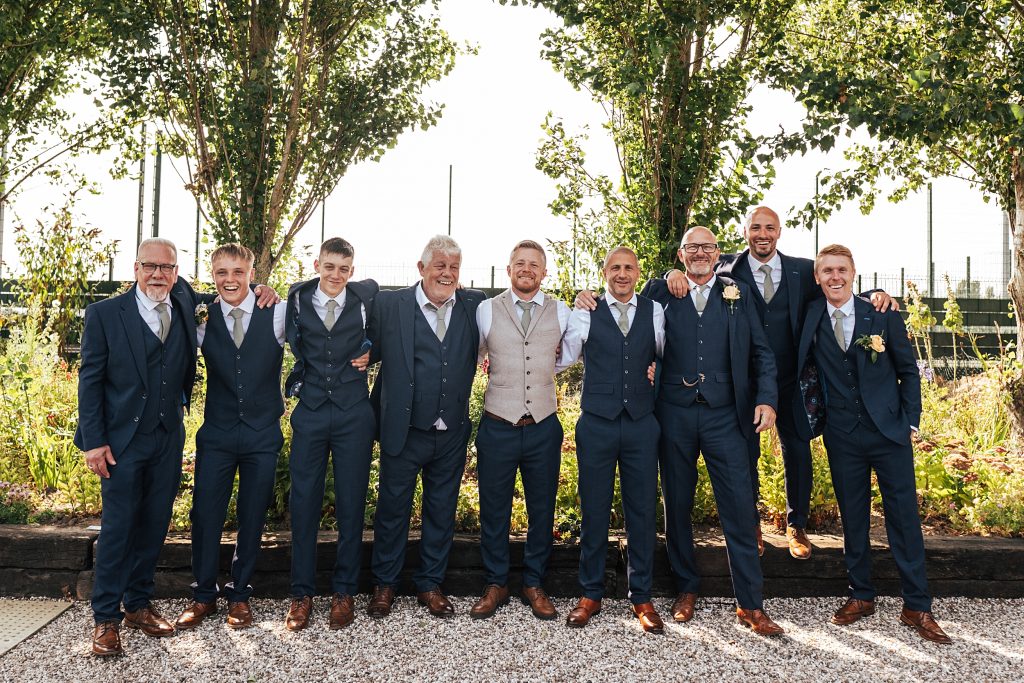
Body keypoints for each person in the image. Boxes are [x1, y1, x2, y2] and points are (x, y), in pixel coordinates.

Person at [75, 237, 276, 655]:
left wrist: (261, 289)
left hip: (168, 436)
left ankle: (138, 603)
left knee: (154, 524)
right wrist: (93, 442)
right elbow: (90, 379)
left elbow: (228, 289)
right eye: (150, 266)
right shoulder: (105, 314)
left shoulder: (185, 305)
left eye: (167, 268)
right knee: (118, 528)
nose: (158, 274)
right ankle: (105, 619)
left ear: (177, 273)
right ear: (135, 268)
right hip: (121, 442)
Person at [663, 206, 896, 559]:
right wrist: (670, 273)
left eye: (769, 228)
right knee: (745, 452)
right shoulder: (726, 268)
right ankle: (752, 524)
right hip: (742, 382)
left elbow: (837, 287)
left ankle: (796, 524)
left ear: (779, 232)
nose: (762, 234)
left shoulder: (802, 270)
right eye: (756, 227)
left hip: (791, 378)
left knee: (797, 448)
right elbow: (691, 269)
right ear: (745, 232)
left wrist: (875, 293)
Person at [795, 244, 951, 644]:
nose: (834, 277)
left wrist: (910, 421)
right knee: (854, 518)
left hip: (889, 433)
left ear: (853, 274)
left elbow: (909, 371)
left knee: (903, 519)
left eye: (841, 270)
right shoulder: (811, 315)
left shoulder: (880, 313)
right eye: (827, 271)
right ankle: (861, 595)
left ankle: (917, 605)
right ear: (817, 278)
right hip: (842, 435)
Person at [645, 227, 783, 635]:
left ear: (718, 253)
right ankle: (686, 589)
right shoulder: (659, 291)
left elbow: (762, 352)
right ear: (681, 254)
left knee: (739, 507)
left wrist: (767, 398)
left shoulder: (736, 292)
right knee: (678, 504)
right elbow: (620, 304)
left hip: (727, 416)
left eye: (707, 247)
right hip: (675, 415)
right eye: (692, 247)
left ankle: (750, 604)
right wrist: (585, 298)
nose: (700, 253)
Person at [366, 235, 485, 619]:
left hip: (450, 431)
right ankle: (385, 584)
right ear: (421, 269)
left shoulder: (473, 304)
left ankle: (430, 584)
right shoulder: (389, 304)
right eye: (440, 266)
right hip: (403, 429)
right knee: (392, 509)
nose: (447, 273)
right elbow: (339, 291)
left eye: (454, 267)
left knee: (441, 509)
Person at [175, 244, 286, 631]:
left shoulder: (278, 311)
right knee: (205, 514)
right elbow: (174, 289)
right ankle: (203, 594)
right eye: (222, 272)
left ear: (251, 273)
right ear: (212, 274)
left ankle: (240, 595)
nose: (230, 280)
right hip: (218, 433)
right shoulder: (200, 315)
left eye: (238, 272)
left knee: (252, 515)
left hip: (262, 434)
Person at [559, 246, 665, 632]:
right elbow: (564, 358)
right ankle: (590, 593)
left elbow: (667, 357)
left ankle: (641, 596)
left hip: (641, 422)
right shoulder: (585, 311)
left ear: (638, 273)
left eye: (629, 268)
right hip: (598, 422)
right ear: (604, 272)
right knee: (594, 509)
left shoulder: (655, 311)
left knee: (642, 510)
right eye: (615, 268)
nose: (622, 274)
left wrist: (658, 373)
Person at [470, 240, 572, 621]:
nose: (527, 269)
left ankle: (534, 582)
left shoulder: (561, 311)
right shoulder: (485, 310)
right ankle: (495, 583)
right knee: (493, 509)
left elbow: (569, 355)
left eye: (534, 265)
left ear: (544, 273)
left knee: (541, 509)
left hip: (543, 425)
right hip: (498, 424)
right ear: (509, 269)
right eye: (520, 263)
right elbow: (475, 353)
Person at [282, 237, 378, 631]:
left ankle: (344, 592)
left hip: (355, 413)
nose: (336, 275)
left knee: (352, 505)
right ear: (317, 264)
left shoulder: (367, 296)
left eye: (344, 268)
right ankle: (301, 593)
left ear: (352, 271)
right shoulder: (297, 298)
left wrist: (374, 348)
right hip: (312, 412)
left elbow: (393, 333)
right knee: (303, 503)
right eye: (329, 266)